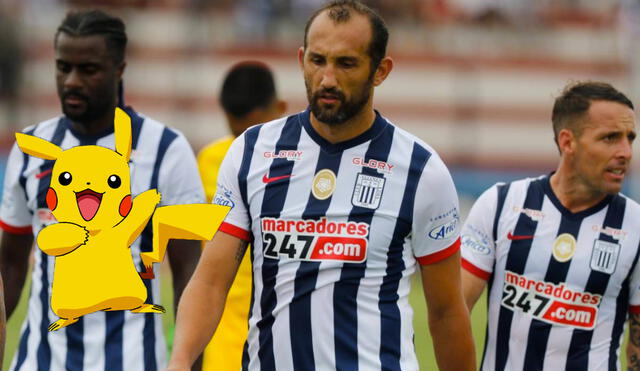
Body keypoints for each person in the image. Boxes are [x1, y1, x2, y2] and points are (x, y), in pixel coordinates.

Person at [167, 1, 475, 370]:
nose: (328, 78)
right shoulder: (251, 152)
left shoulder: (421, 171)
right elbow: (211, 281)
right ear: (301, 60)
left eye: (346, 63)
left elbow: (445, 312)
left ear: (381, 71)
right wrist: (181, 361)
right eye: (318, 61)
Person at [0, 10, 205, 371]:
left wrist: (191, 363)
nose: (72, 81)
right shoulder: (30, 147)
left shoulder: (166, 149)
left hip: (135, 361)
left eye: (88, 69)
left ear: (119, 69)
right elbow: (11, 265)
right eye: (63, 67)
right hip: (40, 361)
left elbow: (191, 272)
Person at [461, 81, 640, 370]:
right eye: (610, 138)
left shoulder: (636, 227)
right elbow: (454, 311)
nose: (626, 152)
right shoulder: (500, 204)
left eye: (629, 138)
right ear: (568, 142)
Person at [197, 61, 286, 370]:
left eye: (254, 130)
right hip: (220, 342)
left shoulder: (301, 167)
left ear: (281, 108)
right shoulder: (209, 161)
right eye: (237, 132)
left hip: (279, 339)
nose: (246, 144)